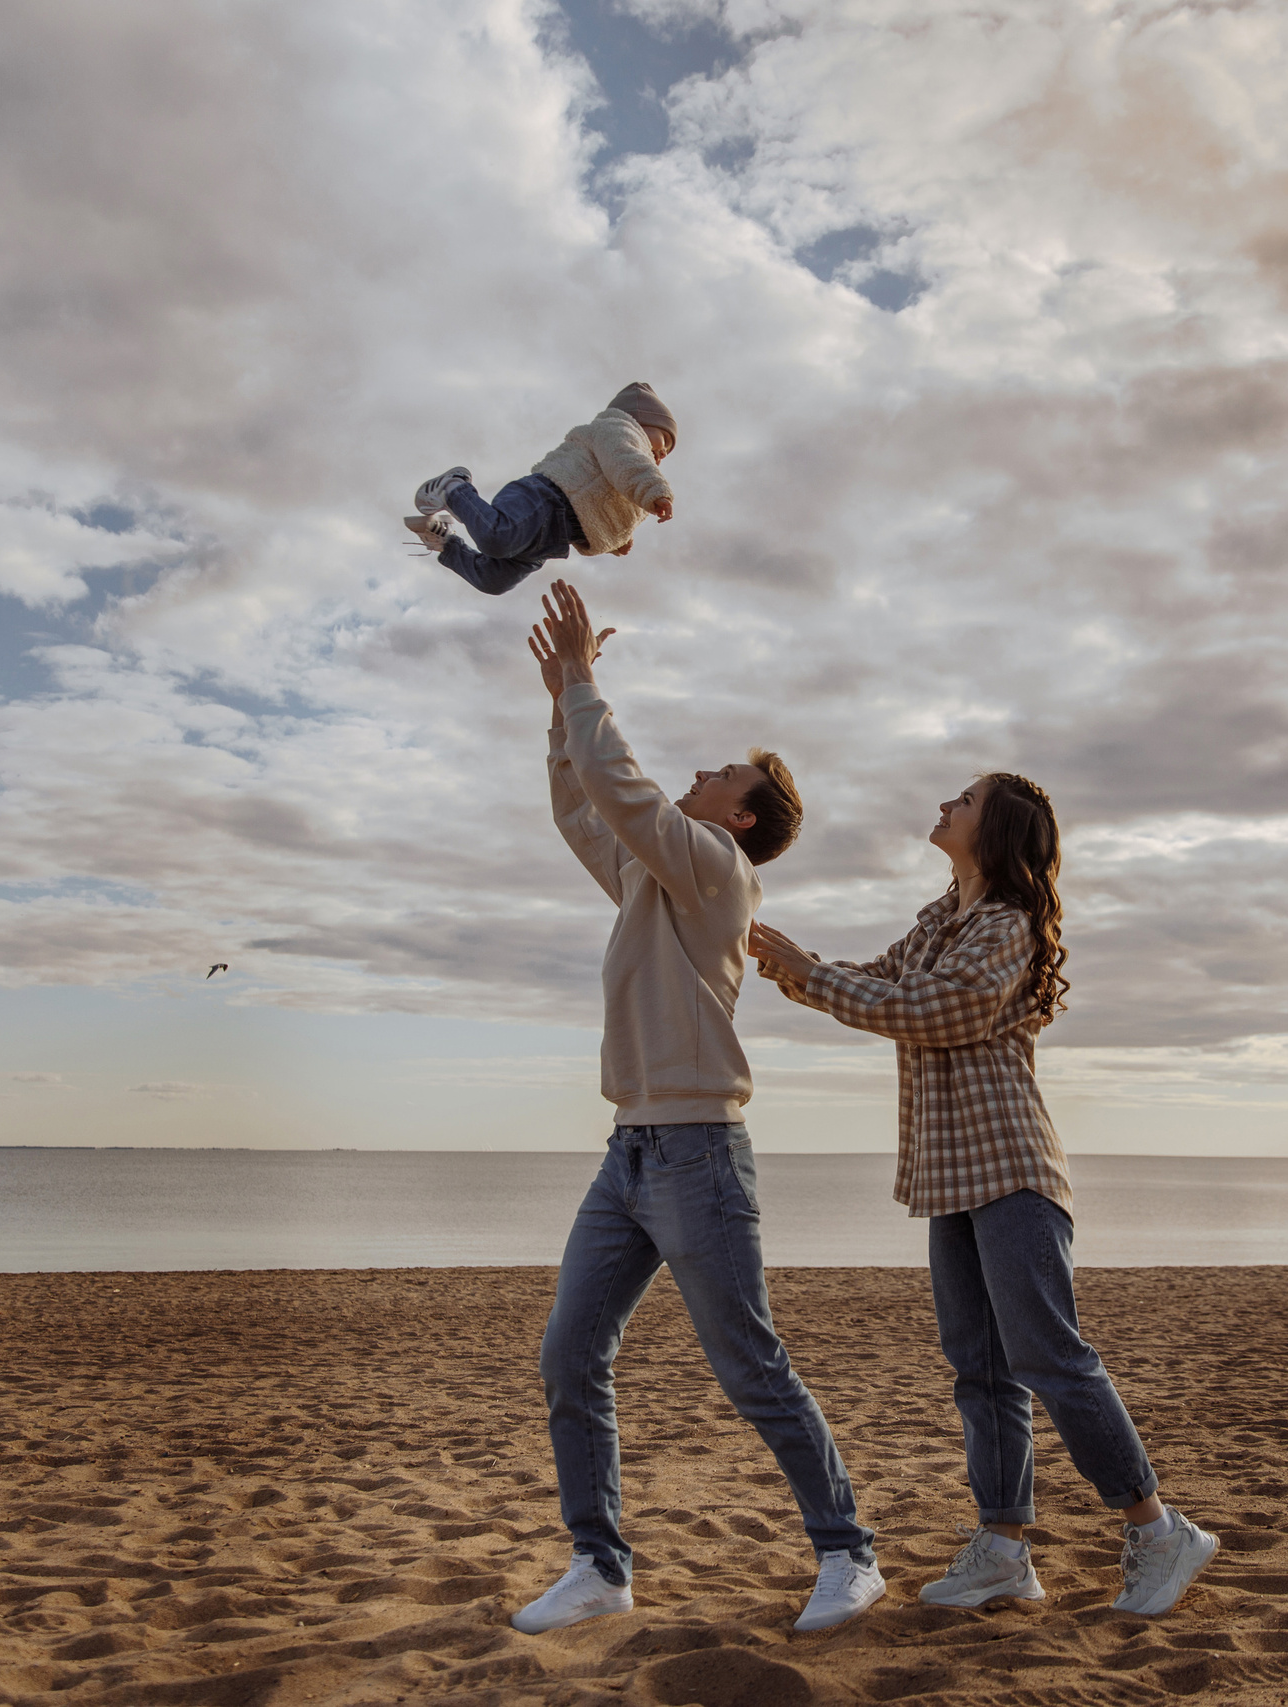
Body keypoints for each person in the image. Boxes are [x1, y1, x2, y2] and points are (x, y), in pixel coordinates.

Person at [749, 774, 1219, 1618]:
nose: (944, 805)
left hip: (1012, 1168)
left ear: (994, 829)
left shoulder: (1007, 925)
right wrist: (792, 965)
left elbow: (933, 1010)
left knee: (1050, 1359)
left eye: (961, 800)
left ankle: (1160, 1529)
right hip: (950, 1175)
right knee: (982, 1371)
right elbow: (882, 979)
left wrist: (809, 974)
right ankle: (1004, 1549)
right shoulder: (940, 920)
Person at [510, 579, 881, 1638]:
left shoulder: (715, 868)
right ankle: (599, 1565)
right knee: (568, 1355)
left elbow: (624, 793)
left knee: (750, 1365)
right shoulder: (651, 877)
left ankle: (849, 1554)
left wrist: (587, 682)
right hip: (627, 1152)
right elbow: (584, 809)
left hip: (699, 1155)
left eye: (724, 772)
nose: (704, 772)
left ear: (740, 815)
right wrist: (558, 705)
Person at [407, 382, 678, 595]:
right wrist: (656, 493)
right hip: (545, 499)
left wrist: (617, 541)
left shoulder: (632, 464)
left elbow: (607, 504)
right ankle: (454, 487)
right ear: (639, 420)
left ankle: (444, 543)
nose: (664, 452)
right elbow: (628, 464)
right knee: (497, 538)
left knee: (494, 581)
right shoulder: (619, 431)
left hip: (554, 538)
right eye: (663, 438)